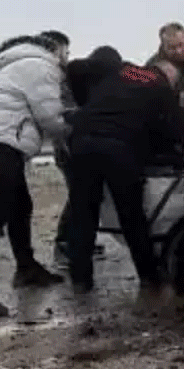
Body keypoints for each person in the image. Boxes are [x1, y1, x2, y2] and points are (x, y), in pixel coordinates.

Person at [0, 33, 71, 316]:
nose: (66, 59)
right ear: (54, 50)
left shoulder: (14, 65)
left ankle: (26, 266)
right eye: (65, 53)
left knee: (20, 205)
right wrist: (78, 128)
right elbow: (50, 116)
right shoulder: (40, 67)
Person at [66, 57, 184, 294]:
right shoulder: (157, 83)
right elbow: (175, 128)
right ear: (168, 75)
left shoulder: (124, 73)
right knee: (131, 215)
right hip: (118, 148)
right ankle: (148, 277)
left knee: (83, 214)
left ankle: (80, 280)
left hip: (81, 145)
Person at [52, 45, 122, 269]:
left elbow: (143, 74)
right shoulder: (79, 76)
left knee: (83, 197)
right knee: (80, 198)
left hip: (75, 142)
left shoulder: (85, 73)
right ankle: (65, 245)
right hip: (73, 143)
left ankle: (78, 245)